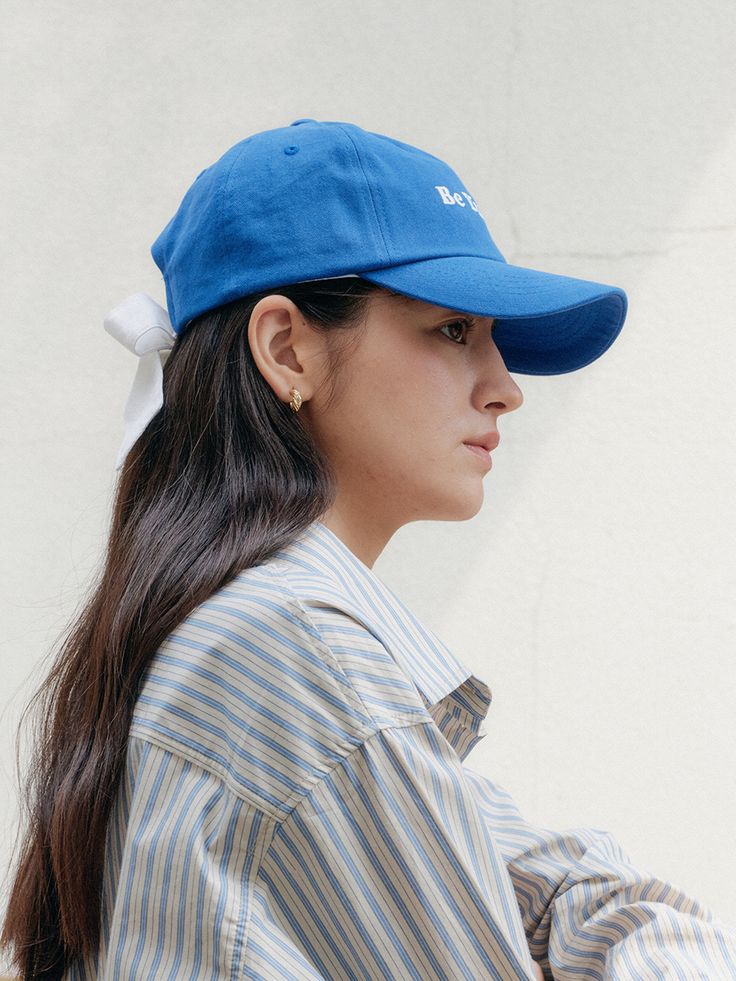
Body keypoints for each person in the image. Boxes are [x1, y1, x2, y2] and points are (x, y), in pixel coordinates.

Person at [2, 118, 735, 980]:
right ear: (286, 349)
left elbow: (583, 889)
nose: (505, 389)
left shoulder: (231, 633)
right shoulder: (295, 656)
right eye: (454, 330)